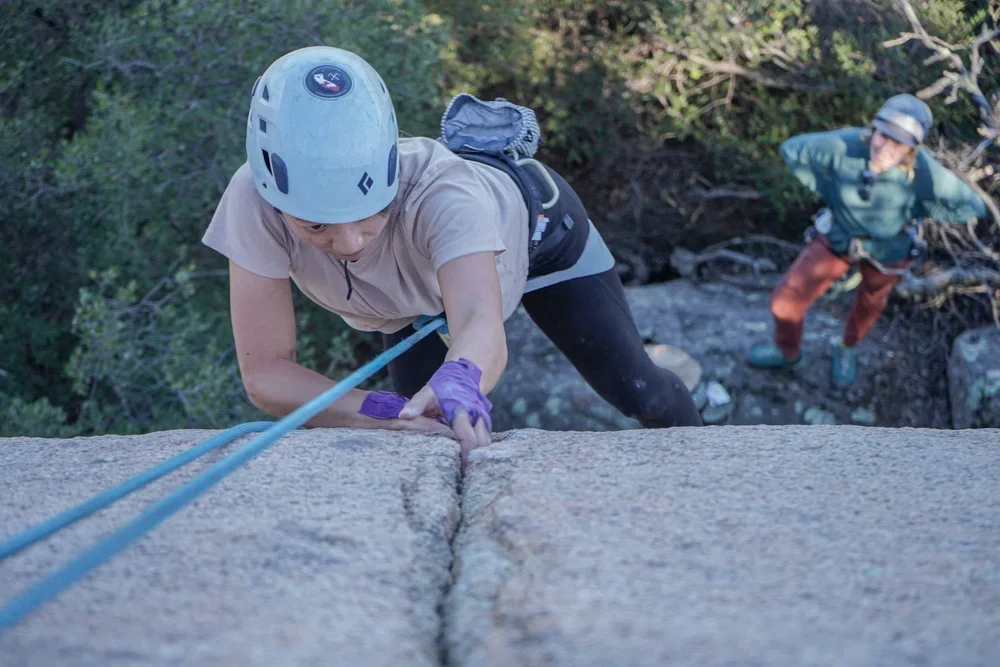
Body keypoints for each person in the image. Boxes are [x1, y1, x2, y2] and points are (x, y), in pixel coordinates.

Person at [202, 46, 702, 463]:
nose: (351, 243)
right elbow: (266, 371)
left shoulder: (442, 192)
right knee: (430, 432)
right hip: (404, 302)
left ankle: (706, 451)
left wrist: (462, 378)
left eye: (370, 212)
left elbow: (480, 323)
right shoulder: (253, 202)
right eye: (316, 225)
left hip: (541, 234)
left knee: (640, 392)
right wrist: (381, 411)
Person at [747, 94, 987, 387]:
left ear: (910, 149)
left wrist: (919, 211)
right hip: (840, 234)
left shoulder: (924, 172)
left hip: (889, 248)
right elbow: (793, 150)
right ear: (873, 129)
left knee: (869, 304)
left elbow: (971, 206)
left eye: (896, 143)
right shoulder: (846, 145)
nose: (882, 147)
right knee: (785, 301)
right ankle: (788, 352)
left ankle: (847, 347)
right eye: (881, 135)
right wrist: (829, 191)